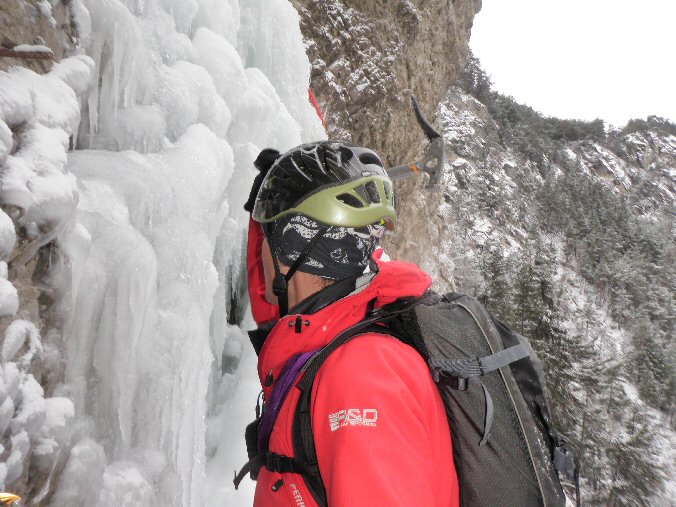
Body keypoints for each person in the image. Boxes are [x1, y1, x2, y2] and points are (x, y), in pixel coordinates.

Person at [242, 141, 459, 506]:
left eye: (267, 236)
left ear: (291, 249)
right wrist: (267, 205)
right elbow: (282, 302)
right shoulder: (339, 322)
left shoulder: (359, 377)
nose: (260, 246)